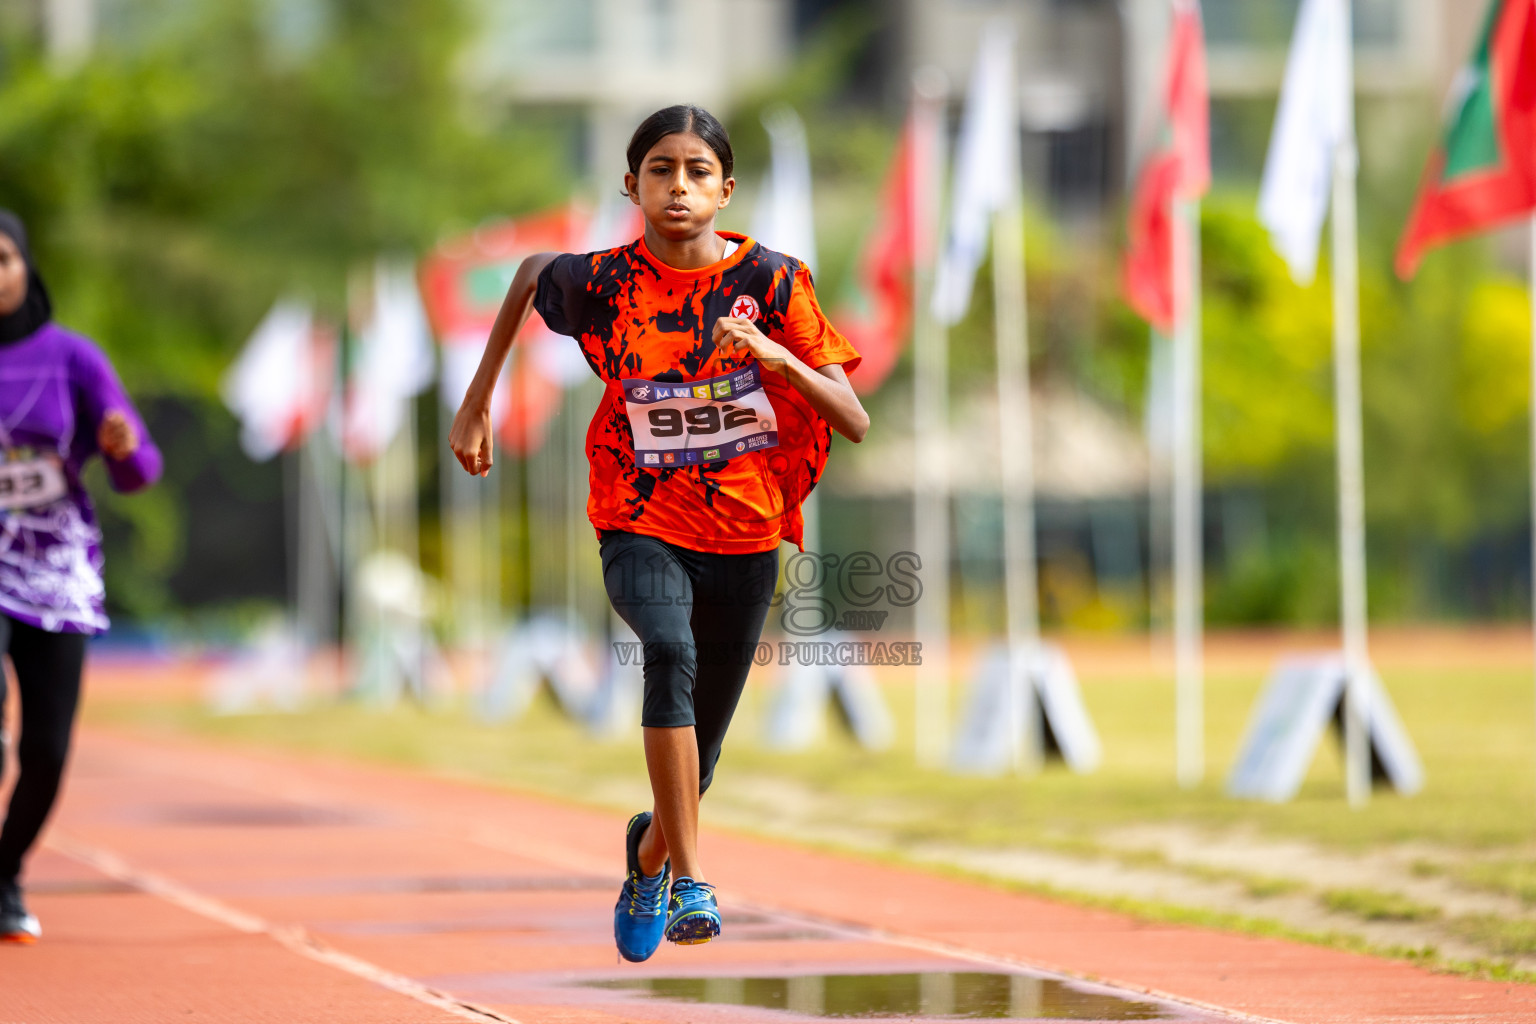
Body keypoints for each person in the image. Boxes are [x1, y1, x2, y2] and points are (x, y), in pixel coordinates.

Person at [450, 105, 867, 961]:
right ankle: (692, 880)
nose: (679, 187)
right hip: (637, 522)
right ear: (631, 184)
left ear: (726, 188)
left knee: (698, 765)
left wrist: (780, 359)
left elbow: (853, 418)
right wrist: (477, 397)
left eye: (697, 172)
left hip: (746, 537)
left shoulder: (778, 282)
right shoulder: (604, 282)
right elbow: (531, 272)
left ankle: (649, 855)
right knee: (667, 656)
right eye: (661, 171)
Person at [0, 210, 163, 943]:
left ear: (26, 267)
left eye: (2, 258)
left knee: (48, 750)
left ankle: (3, 874)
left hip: (54, 565)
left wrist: (122, 446)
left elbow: (139, 473)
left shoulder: (72, 358)